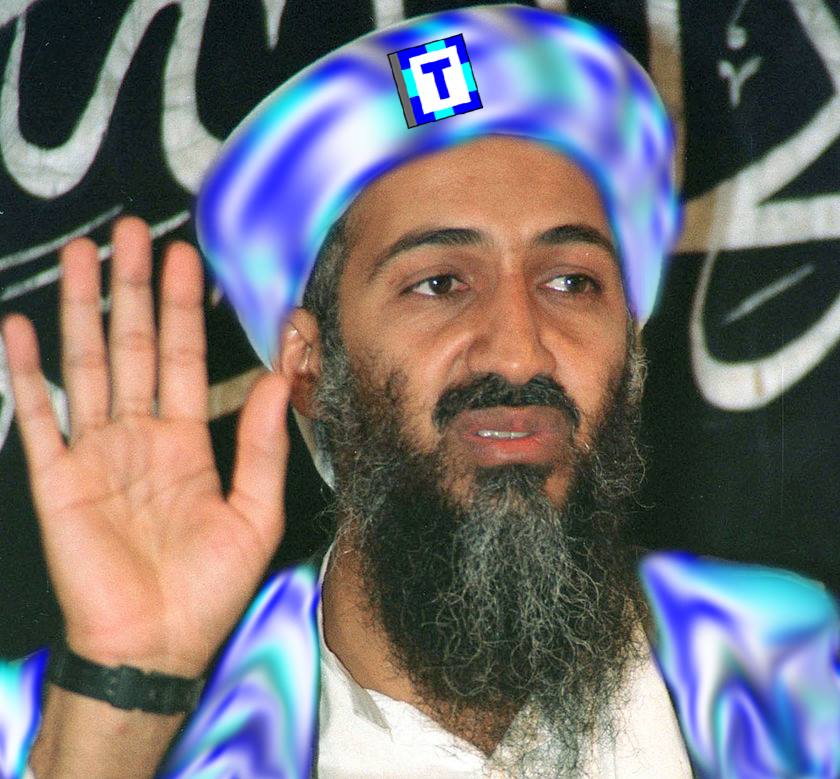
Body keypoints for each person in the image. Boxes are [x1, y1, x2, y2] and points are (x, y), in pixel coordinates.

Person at [1, 6, 693, 777]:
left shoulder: (780, 675)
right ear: (310, 365)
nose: (518, 347)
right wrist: (126, 691)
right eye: (440, 283)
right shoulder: (65, 726)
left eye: (570, 282)